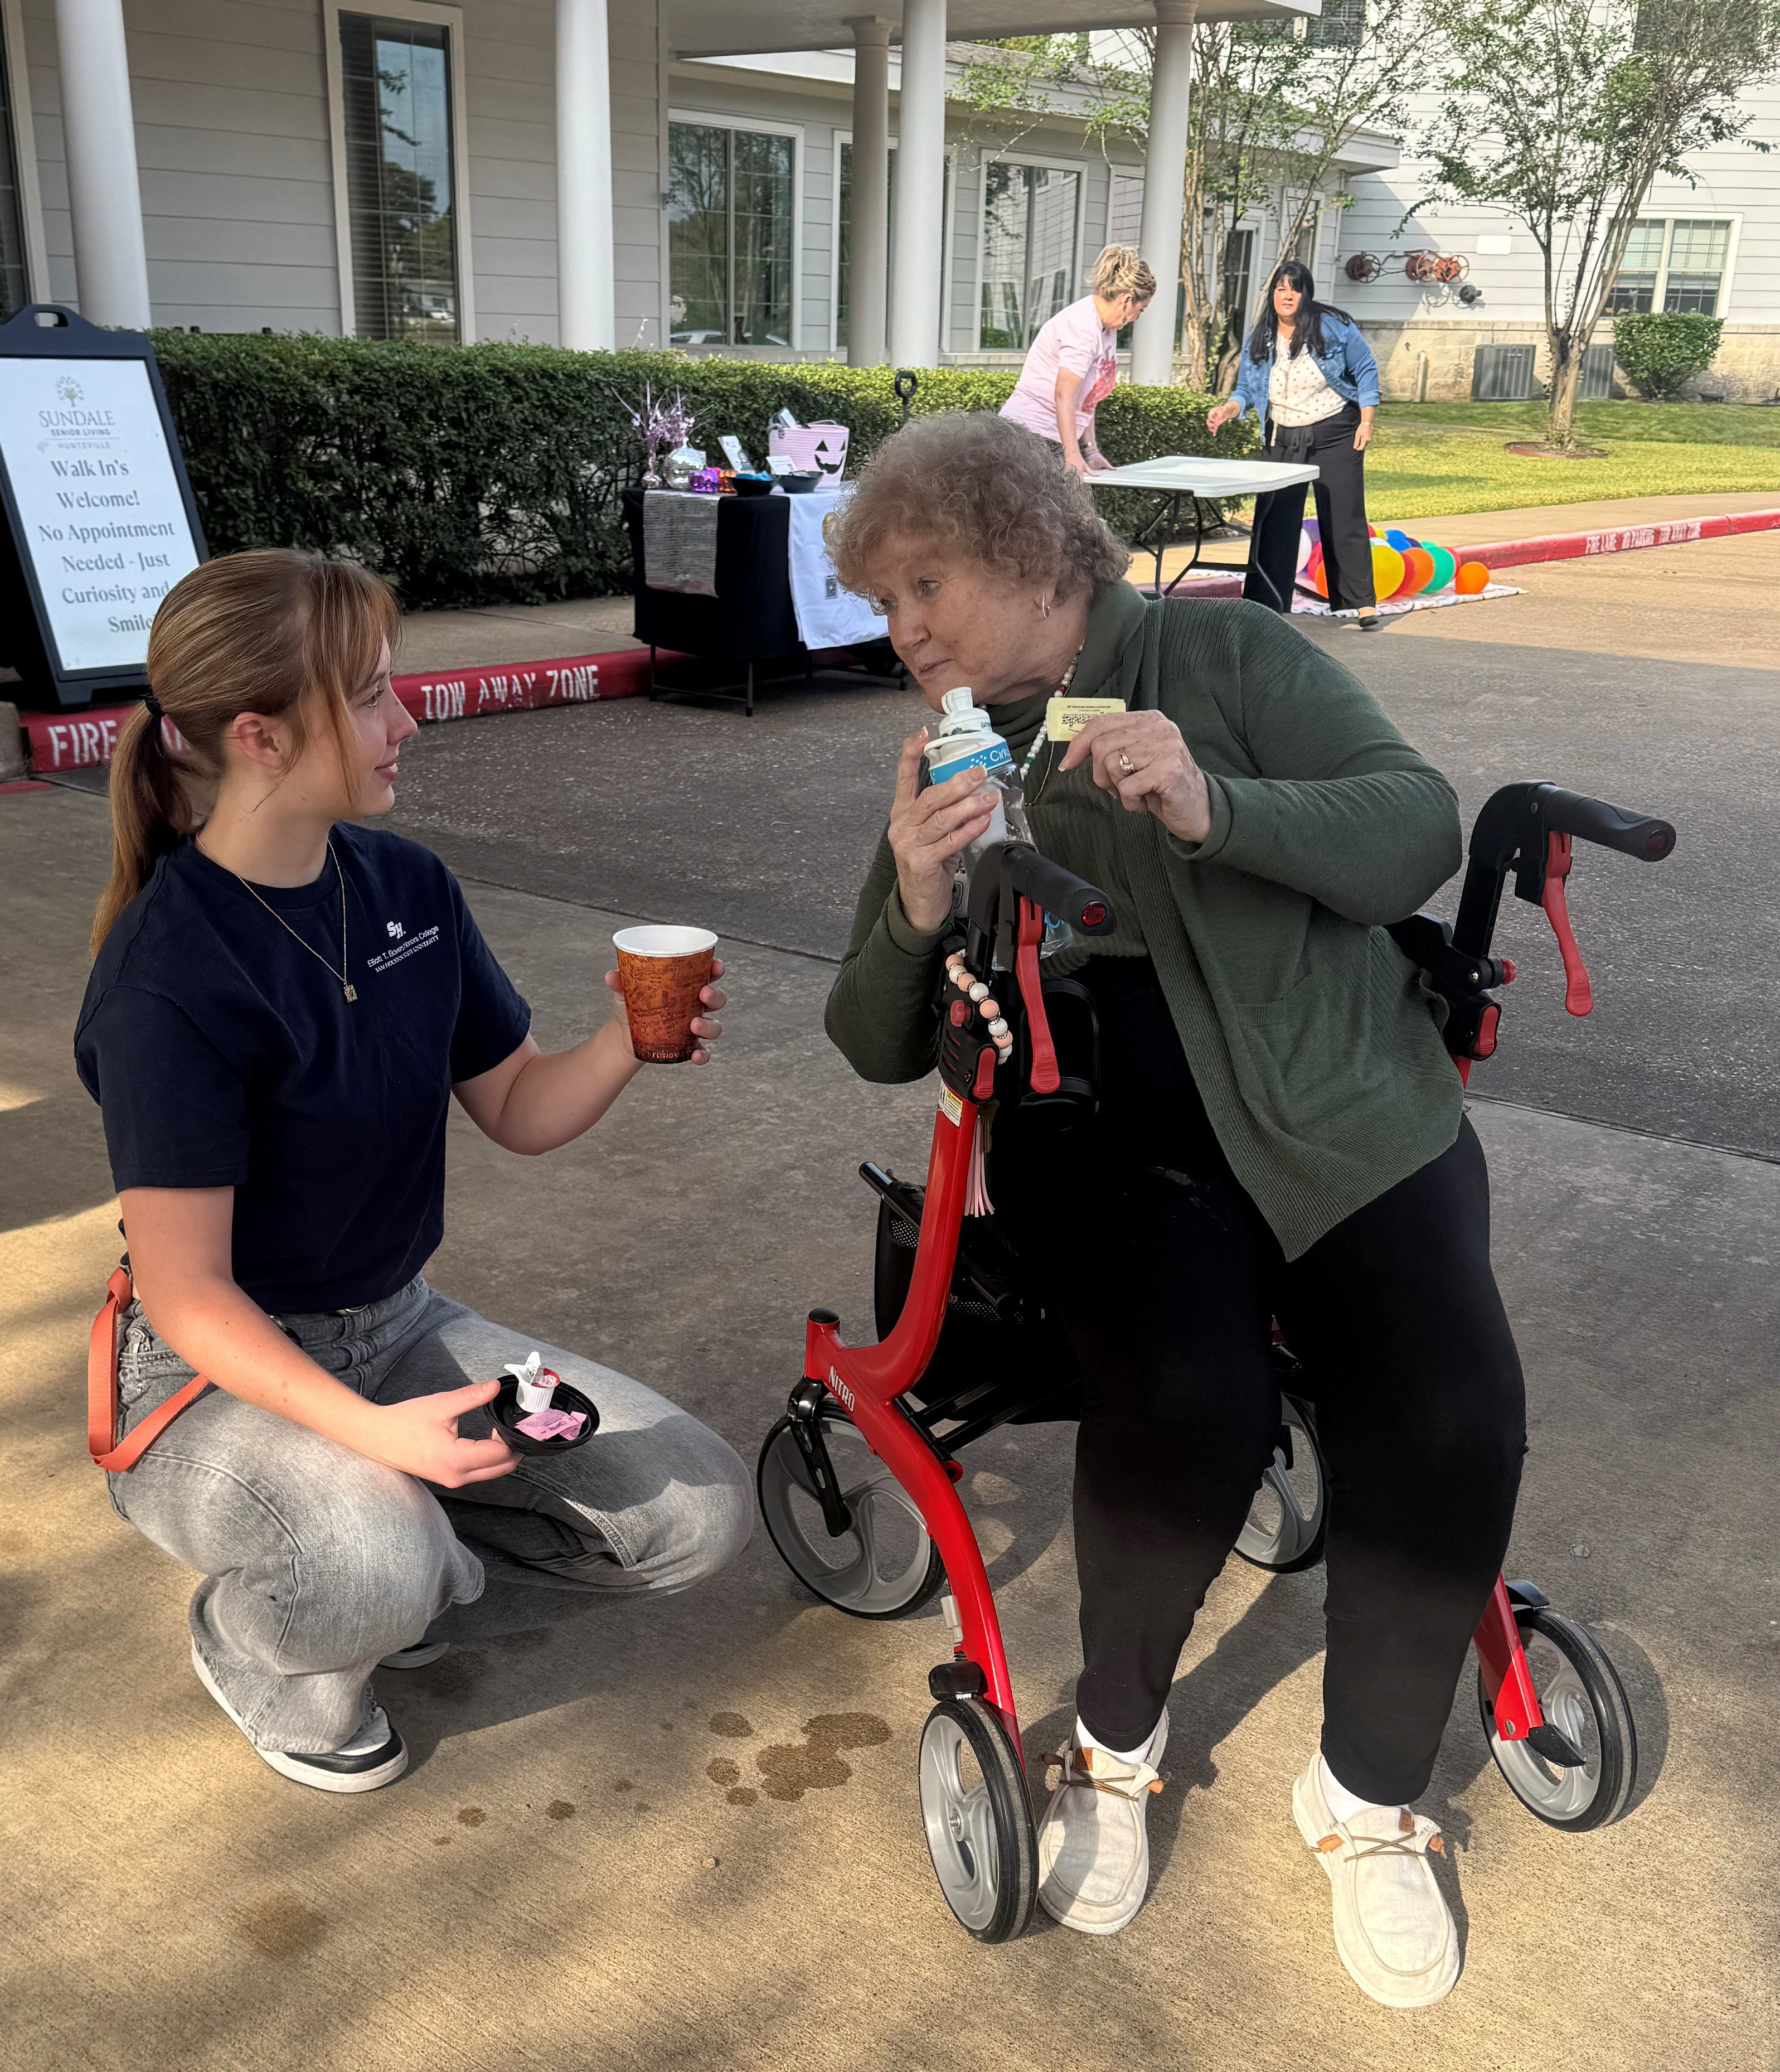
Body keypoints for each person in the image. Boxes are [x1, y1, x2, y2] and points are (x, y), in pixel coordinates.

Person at [821, 412, 1524, 2010]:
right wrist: (918, 897)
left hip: (1344, 1096)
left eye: (921, 583)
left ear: (1027, 548)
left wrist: (1218, 806)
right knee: (1188, 1402)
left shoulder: (1222, 655)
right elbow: (870, 1039)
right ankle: (1113, 1743)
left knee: (1450, 1411)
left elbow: (1412, 821)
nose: (902, 630)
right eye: (884, 604)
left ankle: (1367, 1797)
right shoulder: (951, 747)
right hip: (1100, 1122)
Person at [75, 549, 754, 1794]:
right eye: (375, 693)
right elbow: (187, 1296)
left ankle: (389, 1555)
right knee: (377, 1563)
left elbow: (517, 1105)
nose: (408, 715)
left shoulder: (405, 887)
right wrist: (373, 1438)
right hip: (207, 1381)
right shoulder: (168, 977)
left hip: (400, 1326)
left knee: (696, 1511)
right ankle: (271, 1642)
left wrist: (627, 1038)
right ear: (260, 737)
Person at [1206, 259, 1384, 631]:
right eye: (1281, 288)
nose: (1288, 295)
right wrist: (1230, 409)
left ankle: (1360, 603)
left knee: (1343, 515)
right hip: (1281, 434)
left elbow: (1366, 368)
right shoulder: (1263, 335)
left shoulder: (1333, 327)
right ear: (1272, 294)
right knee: (1274, 520)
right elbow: (1246, 389)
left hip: (1335, 431)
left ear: (1306, 294)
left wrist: (1366, 419)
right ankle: (1264, 604)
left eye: (1295, 288)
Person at [998, 244, 1157, 481]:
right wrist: (1071, 454)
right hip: (1029, 437)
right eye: (1140, 311)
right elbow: (1064, 394)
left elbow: (1087, 397)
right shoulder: (1083, 327)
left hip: (1052, 439)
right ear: (1126, 300)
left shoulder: (1107, 329)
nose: (1136, 318)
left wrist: (1090, 450)